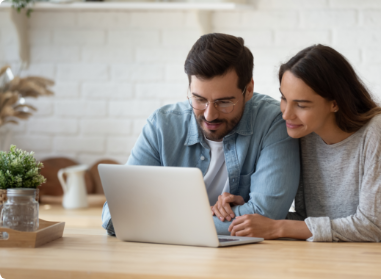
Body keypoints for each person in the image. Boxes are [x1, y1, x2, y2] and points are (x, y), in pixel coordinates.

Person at [101, 33, 300, 236]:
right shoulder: (161, 125)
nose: (209, 115)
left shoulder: (273, 122)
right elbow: (115, 214)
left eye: (224, 102)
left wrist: (160, 220)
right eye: (199, 99)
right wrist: (208, 215)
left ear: (248, 89)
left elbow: (266, 216)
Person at [227, 44, 381, 243]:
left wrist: (277, 227)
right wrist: (250, 211)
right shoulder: (305, 135)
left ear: (334, 103)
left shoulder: (378, 131)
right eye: (284, 98)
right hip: (337, 258)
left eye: (301, 105)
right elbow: (309, 223)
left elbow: (370, 227)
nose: (286, 114)